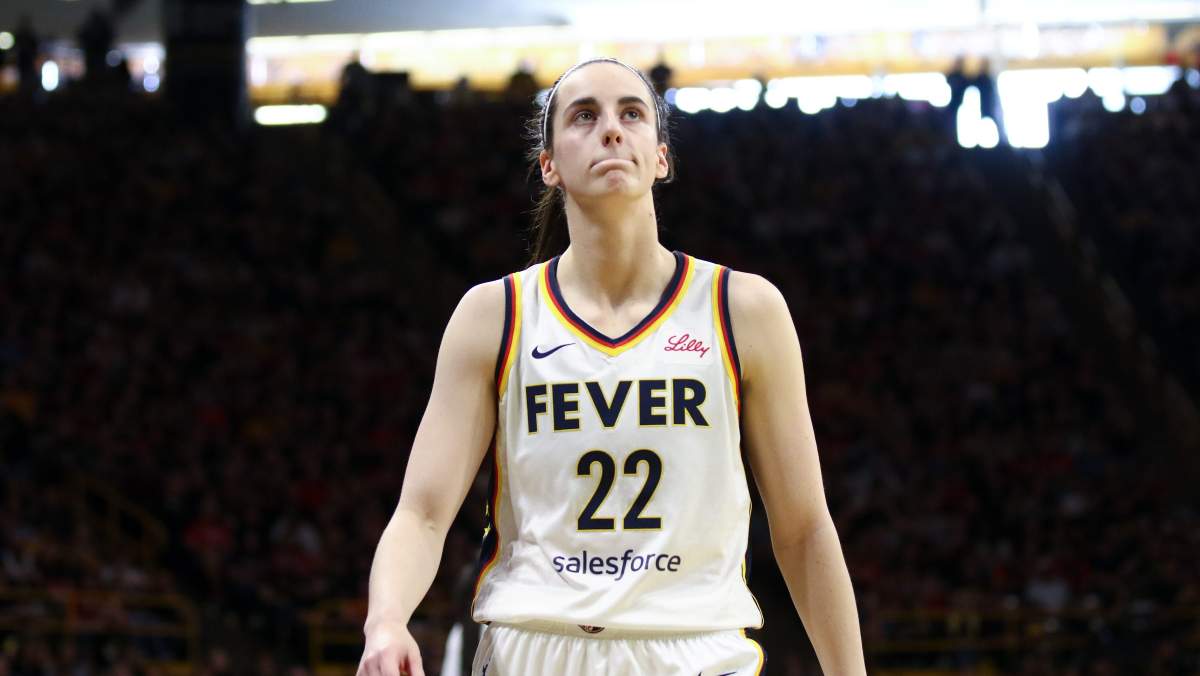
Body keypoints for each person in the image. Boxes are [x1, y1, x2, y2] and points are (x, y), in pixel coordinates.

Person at [356, 57, 867, 676]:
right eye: (584, 116)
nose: (611, 129)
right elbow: (422, 512)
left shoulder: (744, 310)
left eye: (631, 113)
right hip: (532, 646)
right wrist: (386, 620)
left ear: (661, 157)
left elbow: (805, 528)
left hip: (696, 648)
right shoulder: (495, 315)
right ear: (549, 165)